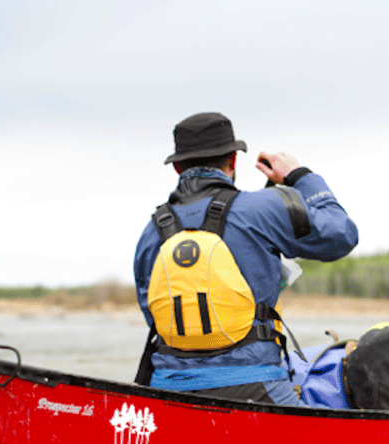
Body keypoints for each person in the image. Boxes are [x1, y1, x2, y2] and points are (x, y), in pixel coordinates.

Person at [133, 112, 358, 406]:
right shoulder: (266, 207)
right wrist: (300, 176)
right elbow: (341, 234)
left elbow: (155, 313)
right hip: (257, 386)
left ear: (177, 167)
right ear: (233, 161)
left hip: (167, 393)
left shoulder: (151, 232)